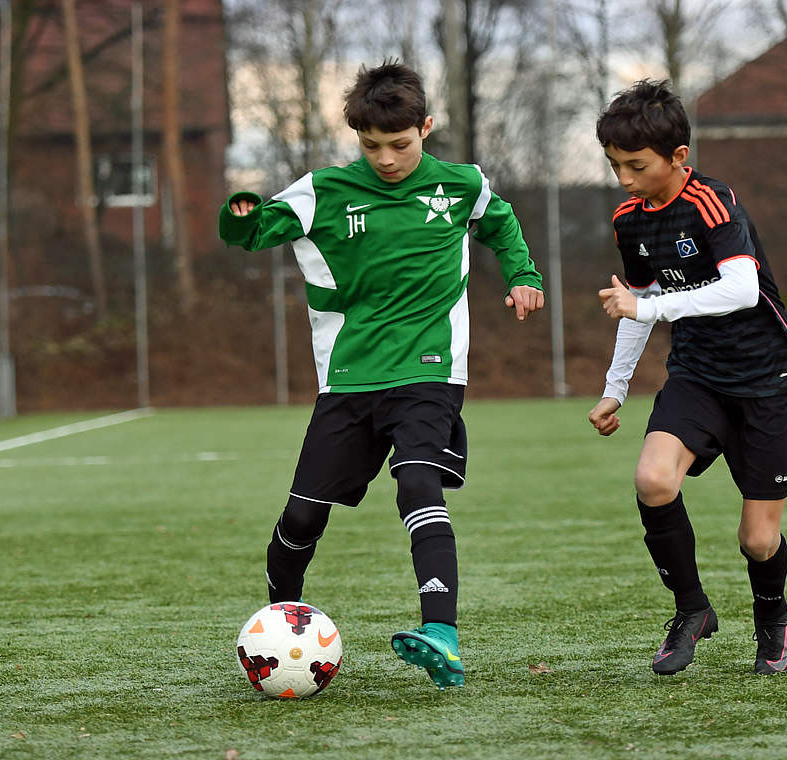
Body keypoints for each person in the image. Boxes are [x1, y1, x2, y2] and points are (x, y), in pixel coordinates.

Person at [219, 61, 545, 690]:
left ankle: (442, 635)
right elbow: (250, 233)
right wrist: (238, 213)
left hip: (430, 372)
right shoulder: (323, 191)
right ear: (356, 137)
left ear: (426, 128)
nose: (389, 159)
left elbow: (499, 221)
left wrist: (523, 275)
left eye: (401, 144)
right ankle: (280, 619)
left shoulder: (461, 185)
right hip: (349, 380)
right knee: (302, 519)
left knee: (418, 483)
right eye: (373, 146)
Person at [587, 80, 787, 676]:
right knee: (653, 479)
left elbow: (740, 289)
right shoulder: (629, 220)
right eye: (615, 166)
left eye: (636, 165)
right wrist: (615, 389)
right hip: (698, 375)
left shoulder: (713, 202)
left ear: (679, 158)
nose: (625, 179)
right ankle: (692, 610)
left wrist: (652, 308)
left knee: (758, 541)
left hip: (770, 380)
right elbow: (635, 301)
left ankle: (772, 621)